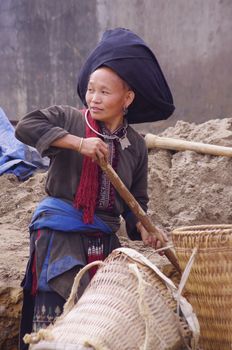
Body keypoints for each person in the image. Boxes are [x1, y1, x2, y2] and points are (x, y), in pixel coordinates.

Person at [15, 28, 175, 350]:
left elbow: (135, 204)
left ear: (127, 99)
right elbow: (25, 127)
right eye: (91, 90)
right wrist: (78, 144)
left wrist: (142, 229)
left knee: (97, 327)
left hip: (103, 242)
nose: (94, 98)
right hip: (58, 239)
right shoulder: (70, 120)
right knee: (54, 325)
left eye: (104, 91)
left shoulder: (137, 146)